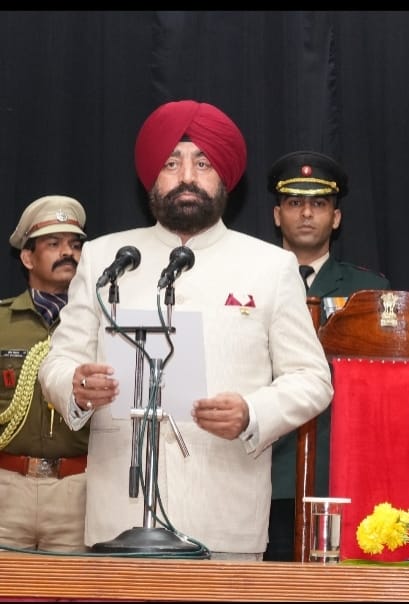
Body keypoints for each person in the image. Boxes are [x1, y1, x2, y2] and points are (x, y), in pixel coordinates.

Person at [37, 100, 334, 560]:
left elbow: (312, 380)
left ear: (224, 178)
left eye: (203, 163)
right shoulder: (105, 257)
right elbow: (58, 361)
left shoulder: (270, 266)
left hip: (225, 519)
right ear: (152, 177)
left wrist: (252, 413)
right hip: (120, 520)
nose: (187, 177)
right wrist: (74, 386)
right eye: (171, 163)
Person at [264, 149, 389, 562]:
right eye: (294, 203)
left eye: (318, 204)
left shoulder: (367, 291)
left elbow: (380, 390)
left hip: (338, 471)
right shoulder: (248, 281)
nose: (306, 214)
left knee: (335, 586)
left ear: (336, 218)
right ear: (277, 214)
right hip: (265, 470)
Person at [0, 195, 89, 553]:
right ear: (27, 258)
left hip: (77, 490)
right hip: (7, 487)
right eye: (53, 244)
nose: (68, 252)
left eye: (75, 245)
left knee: (73, 584)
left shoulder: (101, 327)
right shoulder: (3, 323)